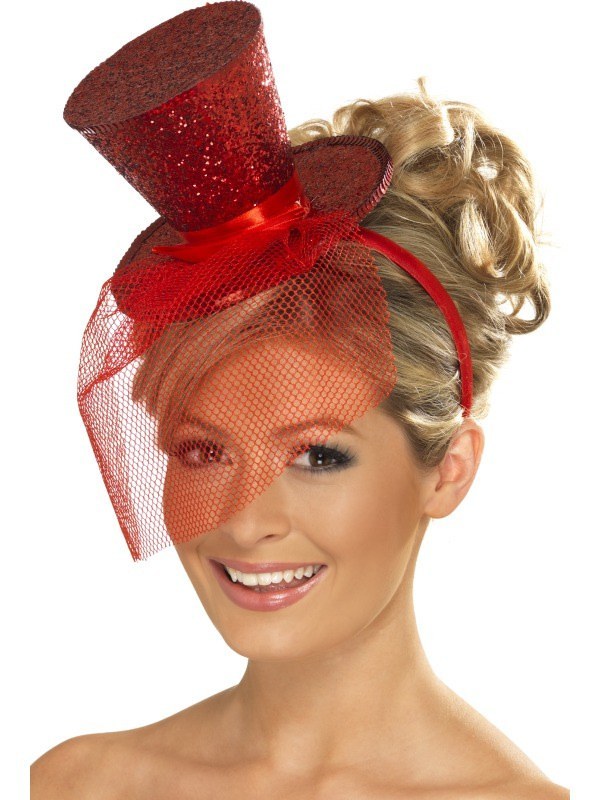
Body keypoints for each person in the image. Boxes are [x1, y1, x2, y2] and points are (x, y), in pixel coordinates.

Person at [31, 2, 569, 797]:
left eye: (318, 455)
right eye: (203, 450)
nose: (246, 521)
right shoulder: (73, 785)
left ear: (449, 469)